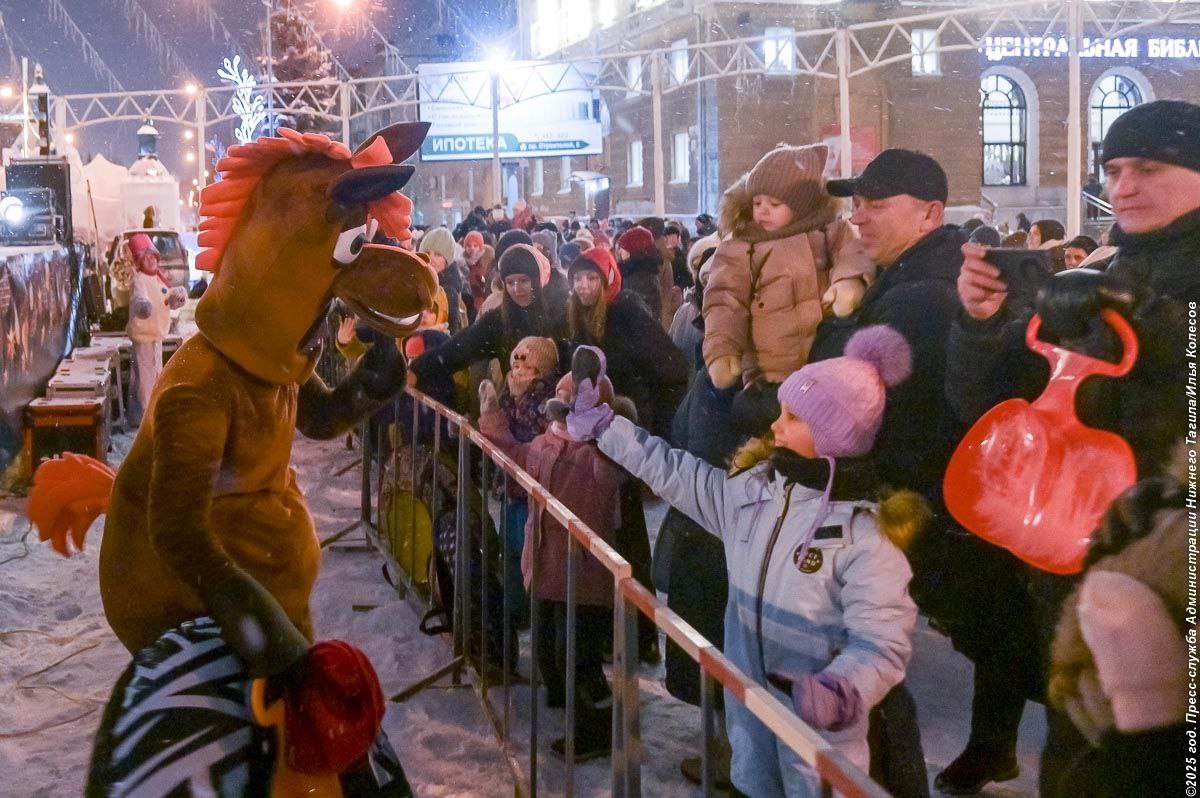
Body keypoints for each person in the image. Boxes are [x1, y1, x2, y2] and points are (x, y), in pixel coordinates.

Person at [949, 98, 1200, 796]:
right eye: (1114, 169)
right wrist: (981, 323)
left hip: (1176, 576)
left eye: (1149, 168)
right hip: (1079, 564)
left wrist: (1155, 322)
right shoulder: (1107, 268)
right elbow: (993, 406)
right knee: (1082, 759)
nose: (1123, 186)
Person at [577, 326, 920, 797]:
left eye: (793, 418)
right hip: (747, 702)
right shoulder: (756, 490)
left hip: (818, 727)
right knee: (751, 782)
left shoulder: (864, 534)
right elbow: (678, 473)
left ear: (834, 436)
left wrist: (843, 690)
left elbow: (882, 640)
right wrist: (605, 427)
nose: (775, 426)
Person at [815, 148, 972, 797]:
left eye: (877, 205)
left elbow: (833, 394)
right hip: (896, 499)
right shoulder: (912, 284)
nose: (859, 218)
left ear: (930, 212)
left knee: (872, 675)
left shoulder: (916, 301)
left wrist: (840, 313)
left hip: (887, 506)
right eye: (855, 205)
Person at [480, 345, 629, 762]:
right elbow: (515, 459)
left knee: (577, 655)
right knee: (547, 646)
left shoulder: (599, 452)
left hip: (581, 573)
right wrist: (491, 416)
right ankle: (568, 703)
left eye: (573, 405)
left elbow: (612, 472)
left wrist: (597, 431)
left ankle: (596, 727)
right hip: (545, 564)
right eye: (561, 404)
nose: (563, 414)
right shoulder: (546, 444)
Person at [704, 143, 875, 436]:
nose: (762, 212)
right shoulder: (743, 246)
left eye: (774, 204)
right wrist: (722, 350)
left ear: (802, 205)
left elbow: (854, 254)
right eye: (757, 203)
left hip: (825, 363)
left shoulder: (829, 231)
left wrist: (849, 281)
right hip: (771, 371)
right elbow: (724, 300)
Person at [477, 336, 560, 629]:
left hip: (531, 496)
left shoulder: (543, 404)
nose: (518, 367)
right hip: (511, 492)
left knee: (530, 558)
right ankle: (515, 612)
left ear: (542, 372)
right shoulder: (511, 397)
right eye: (516, 360)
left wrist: (493, 417)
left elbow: (517, 447)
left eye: (527, 363)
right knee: (510, 553)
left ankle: (531, 613)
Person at [409, 245, 565, 396]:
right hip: (518, 411)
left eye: (524, 280)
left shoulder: (561, 313)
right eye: (510, 282)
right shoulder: (501, 319)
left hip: (561, 412)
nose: (517, 289)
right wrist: (418, 369)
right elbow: (461, 347)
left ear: (537, 279)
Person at [125, 233, 186, 425]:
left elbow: (167, 301)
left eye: (153, 256)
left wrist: (176, 298)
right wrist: (142, 306)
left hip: (156, 334)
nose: (151, 260)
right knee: (145, 379)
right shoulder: (140, 280)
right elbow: (139, 299)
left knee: (155, 374)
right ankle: (145, 418)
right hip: (143, 336)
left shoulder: (159, 280)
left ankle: (146, 415)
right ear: (139, 262)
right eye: (146, 257)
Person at [418, 227, 466, 334]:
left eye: (438, 254)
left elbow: (452, 334)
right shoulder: (417, 283)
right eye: (427, 253)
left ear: (447, 260)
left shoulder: (448, 292)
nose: (431, 259)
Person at [462, 230, 495, 314]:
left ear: (480, 247)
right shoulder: (461, 263)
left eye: (475, 245)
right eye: (469, 245)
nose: (472, 248)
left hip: (481, 299)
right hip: (467, 299)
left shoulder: (487, 262)